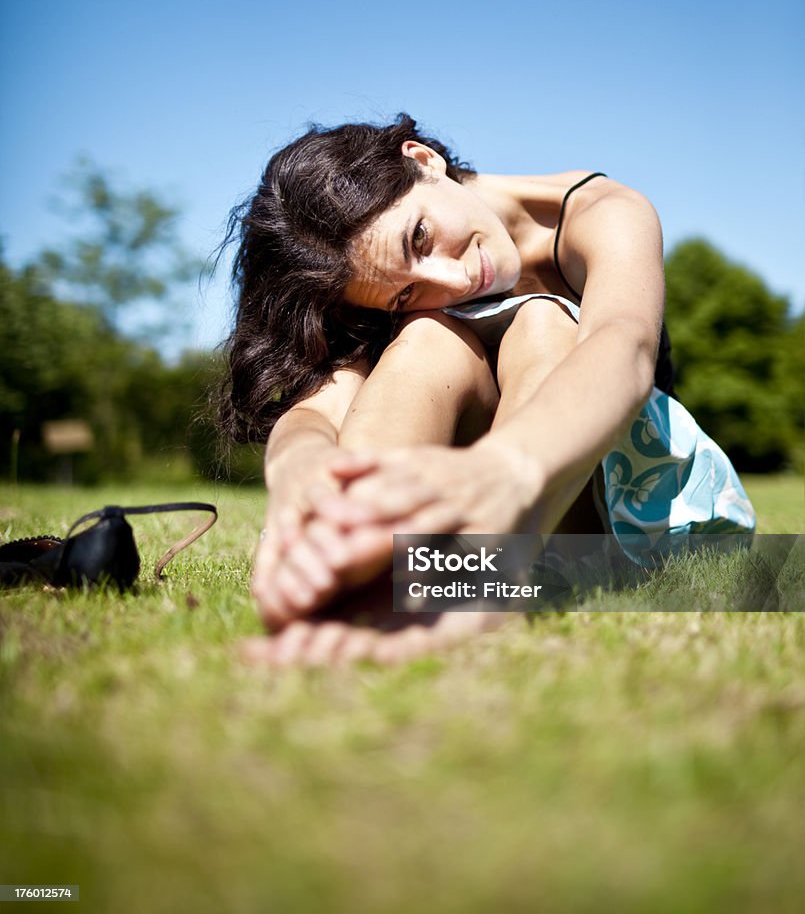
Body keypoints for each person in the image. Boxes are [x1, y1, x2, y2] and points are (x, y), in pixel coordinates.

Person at [218, 114, 755, 666]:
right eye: (405, 292)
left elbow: (624, 346)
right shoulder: (389, 285)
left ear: (424, 161)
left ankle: (487, 572)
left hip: (615, 505)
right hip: (476, 506)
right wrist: (299, 465)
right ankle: (356, 557)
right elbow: (322, 408)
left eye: (420, 238)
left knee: (540, 321)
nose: (450, 281)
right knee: (428, 334)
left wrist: (508, 468)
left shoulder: (604, 213)